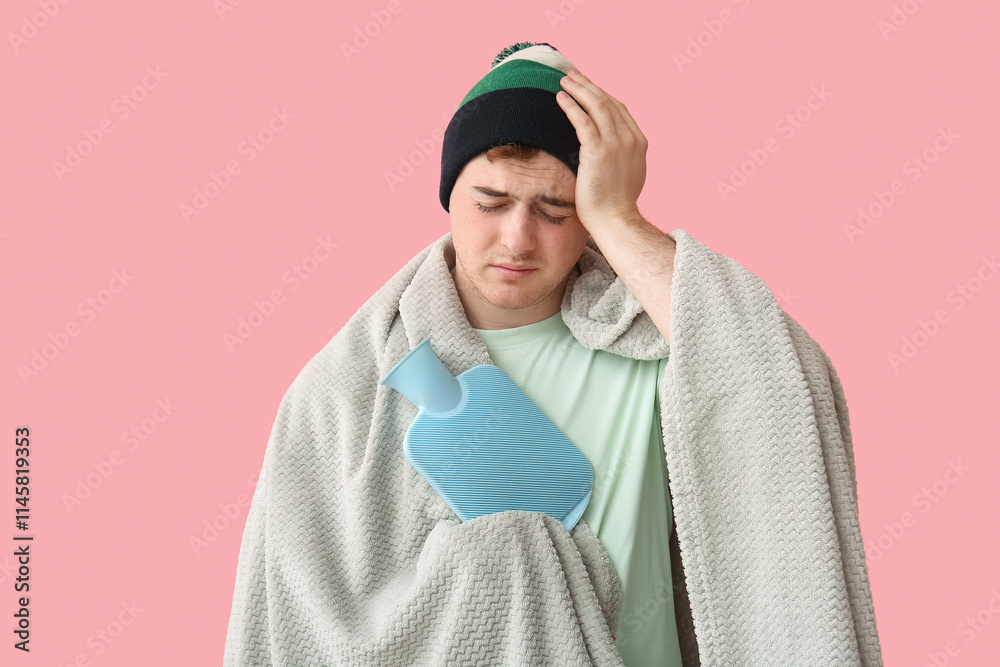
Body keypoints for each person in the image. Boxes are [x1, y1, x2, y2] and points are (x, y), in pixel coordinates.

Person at [224, 41, 882, 667]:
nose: (517, 236)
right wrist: (504, 561)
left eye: (555, 208)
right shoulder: (343, 391)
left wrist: (623, 220)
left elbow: (784, 388)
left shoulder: (663, 343)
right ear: (449, 195)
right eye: (492, 202)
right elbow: (294, 623)